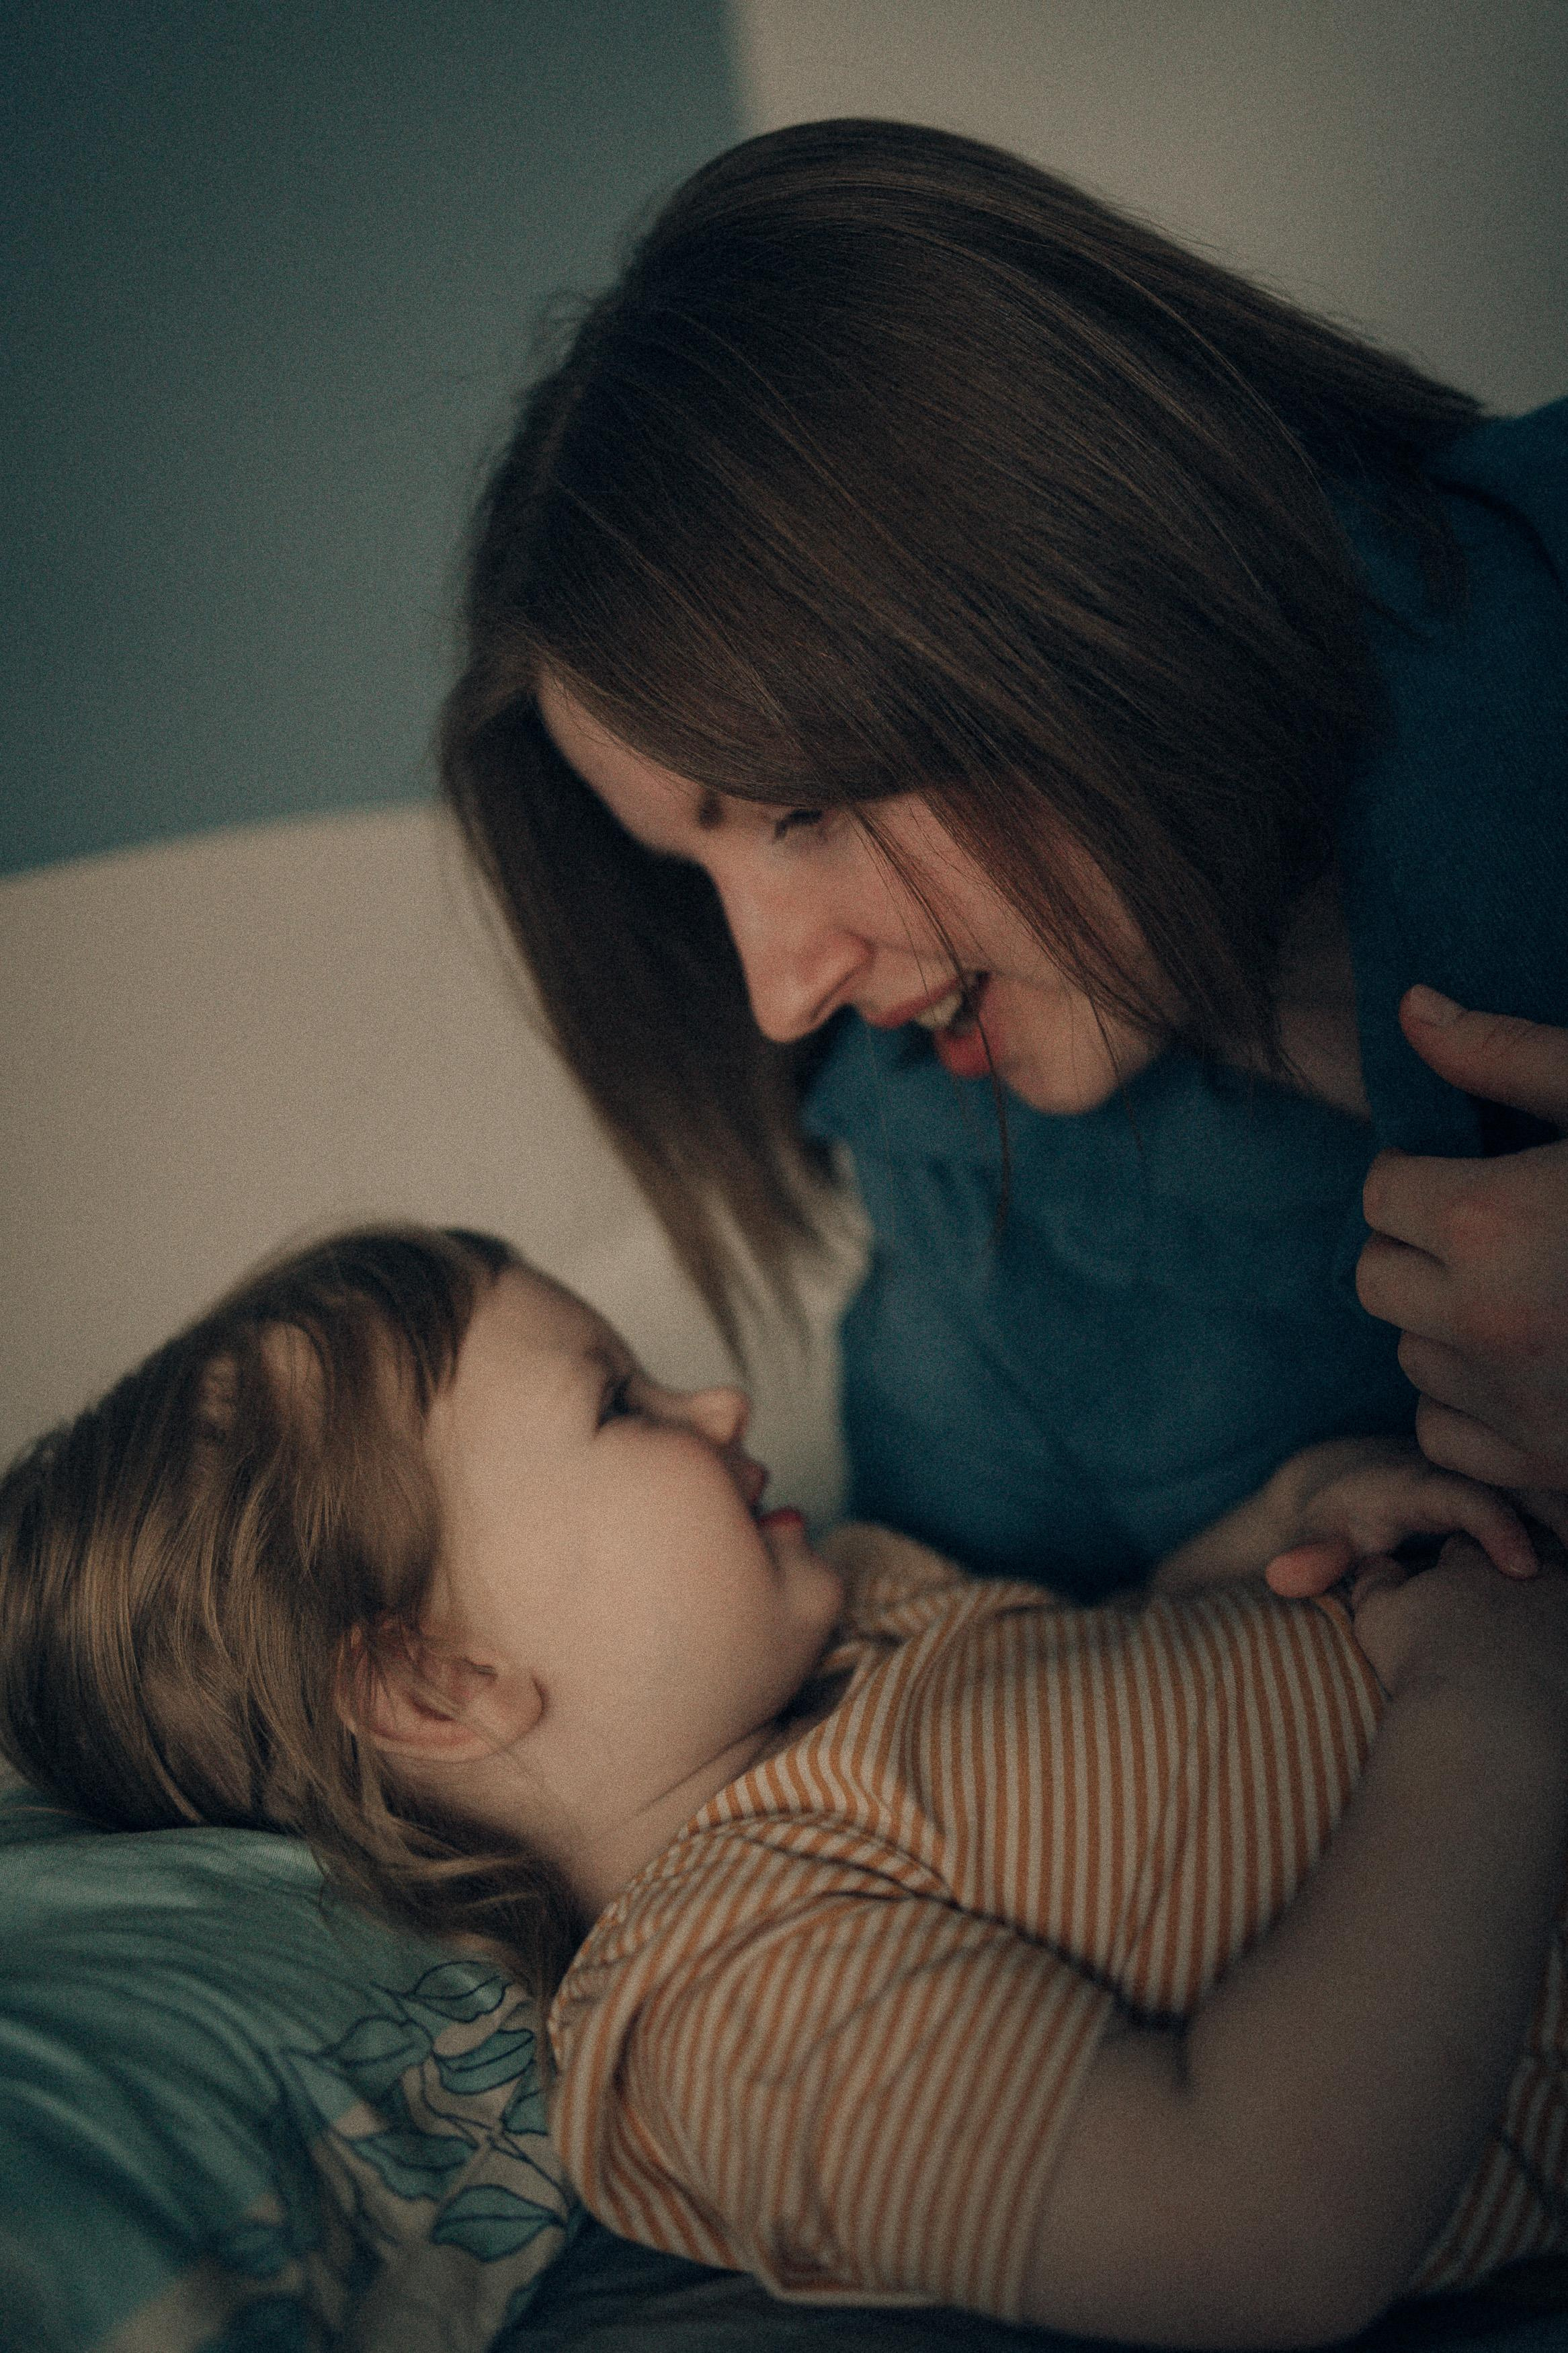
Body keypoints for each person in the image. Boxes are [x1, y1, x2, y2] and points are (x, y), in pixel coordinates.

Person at [3, 1224, 1565, 2348]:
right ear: (440, 1683)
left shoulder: (847, 1630)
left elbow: (1122, 1694)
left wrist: (1289, 1515)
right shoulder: (725, 2000)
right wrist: (1490, 1715)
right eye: (621, 1403)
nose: (722, 1404)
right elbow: (1267, 2231)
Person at [440, 116, 1568, 1599]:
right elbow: (933, 1695)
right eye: (691, 875)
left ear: (1066, 575)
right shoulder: (962, 1210)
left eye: (797, 809)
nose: (781, 996)